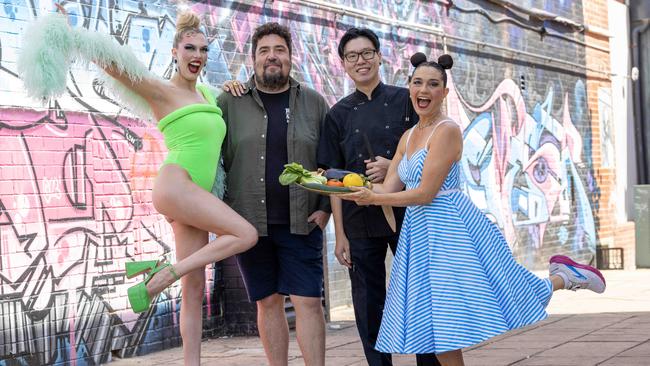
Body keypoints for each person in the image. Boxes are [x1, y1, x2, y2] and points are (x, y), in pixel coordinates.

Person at [20, 8, 258, 365]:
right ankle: (162, 275)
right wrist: (68, 33)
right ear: (174, 53)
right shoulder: (160, 91)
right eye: (189, 49)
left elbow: (225, 108)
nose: (197, 56)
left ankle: (191, 360)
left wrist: (232, 85)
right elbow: (116, 66)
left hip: (197, 197)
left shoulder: (209, 97)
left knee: (193, 290)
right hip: (177, 185)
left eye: (203, 50)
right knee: (245, 234)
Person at [341, 52, 607, 366]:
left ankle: (565, 277)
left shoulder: (448, 130)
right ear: (409, 87)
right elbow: (388, 188)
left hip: (452, 231)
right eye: (417, 83)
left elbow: (426, 193)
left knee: (497, 298)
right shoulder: (408, 137)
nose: (424, 90)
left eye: (433, 84)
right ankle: (563, 275)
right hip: (421, 235)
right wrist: (345, 187)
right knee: (436, 328)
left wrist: (373, 199)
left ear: (444, 92)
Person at [316, 28, 440, 366]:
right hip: (359, 220)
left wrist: (394, 165)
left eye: (367, 53)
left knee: (418, 293)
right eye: (353, 56)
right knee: (368, 301)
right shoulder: (337, 114)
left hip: (409, 212)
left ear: (380, 56)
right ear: (343, 64)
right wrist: (339, 234)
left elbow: (432, 147)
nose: (361, 61)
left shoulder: (407, 99)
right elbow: (332, 180)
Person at [217, 22, 330, 366]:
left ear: (290, 57)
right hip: (250, 223)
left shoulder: (313, 102)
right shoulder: (229, 102)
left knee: (308, 301)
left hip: (303, 220)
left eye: (279, 50)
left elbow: (329, 162)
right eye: (264, 51)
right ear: (252, 58)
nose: (272, 57)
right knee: (267, 301)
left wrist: (324, 209)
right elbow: (216, 159)